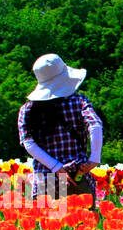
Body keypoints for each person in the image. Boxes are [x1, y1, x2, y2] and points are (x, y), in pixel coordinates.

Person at [17, 54, 103, 203]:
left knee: (50, 224)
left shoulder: (27, 110)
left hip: (46, 179)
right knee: (82, 224)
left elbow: (28, 143)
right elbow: (95, 125)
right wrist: (94, 159)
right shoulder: (78, 101)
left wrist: (56, 167)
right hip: (76, 176)